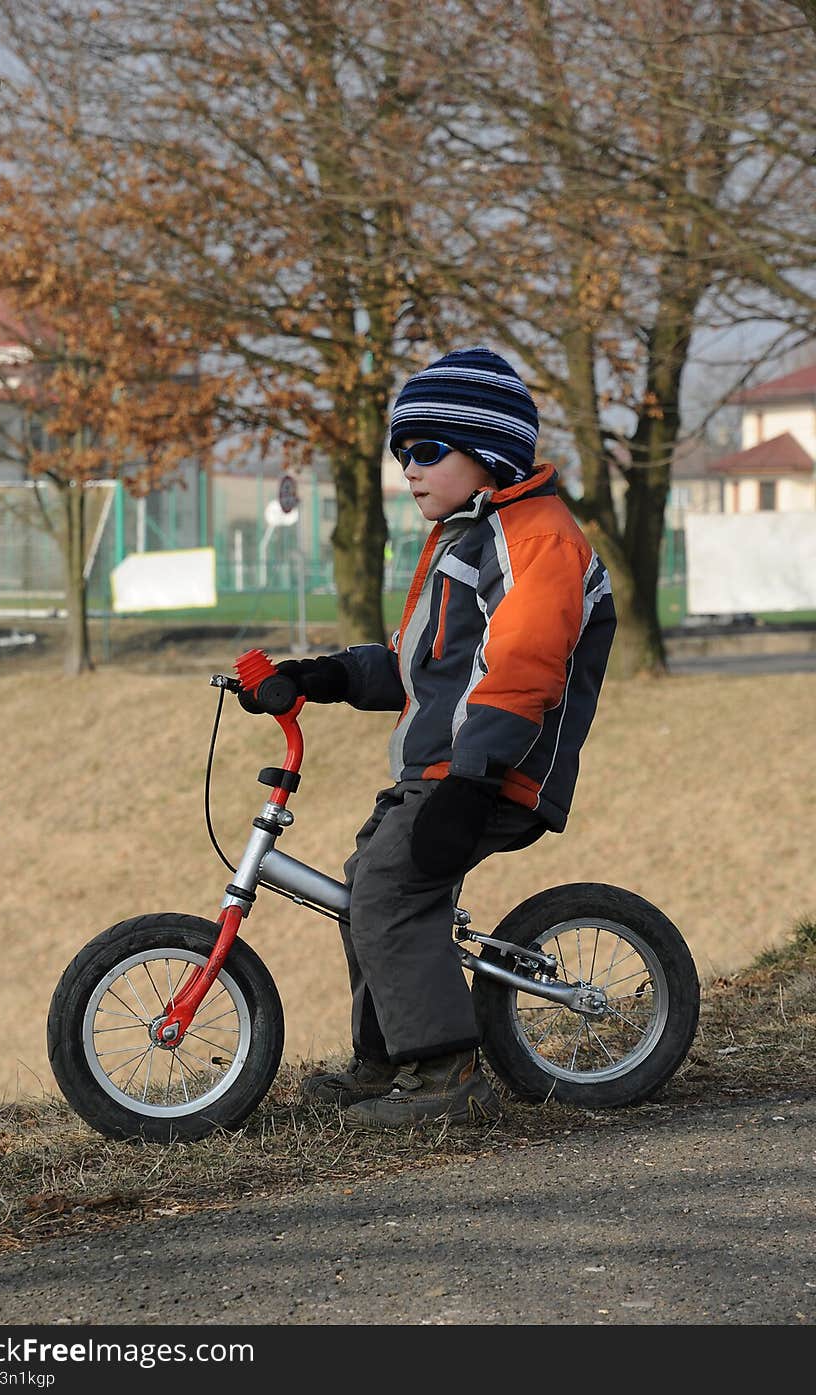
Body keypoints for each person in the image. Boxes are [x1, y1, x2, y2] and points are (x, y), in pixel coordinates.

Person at [239, 346, 617, 1130]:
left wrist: (471, 783)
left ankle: (447, 1074)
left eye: (426, 451)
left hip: (494, 769)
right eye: (399, 452)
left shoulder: (534, 538)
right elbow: (421, 669)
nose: (407, 468)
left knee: (391, 886)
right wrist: (318, 675)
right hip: (446, 766)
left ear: (488, 454)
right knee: (365, 883)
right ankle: (387, 1061)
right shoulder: (465, 537)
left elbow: (521, 672)